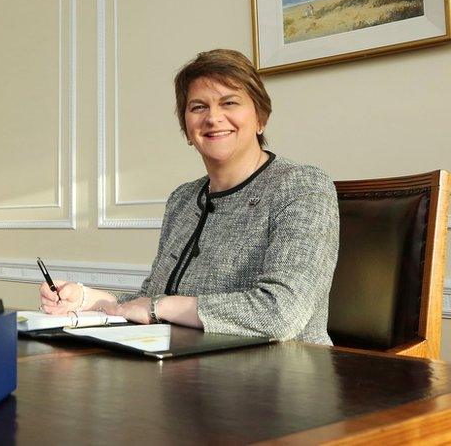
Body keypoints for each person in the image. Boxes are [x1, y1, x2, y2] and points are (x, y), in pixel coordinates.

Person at [40, 49, 339, 344]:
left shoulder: (303, 186)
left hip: (284, 379)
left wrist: (160, 307)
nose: (213, 117)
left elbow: (281, 313)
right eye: (198, 107)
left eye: (229, 102)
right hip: (187, 371)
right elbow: (154, 300)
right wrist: (93, 300)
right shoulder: (183, 199)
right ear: (187, 127)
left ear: (261, 117)